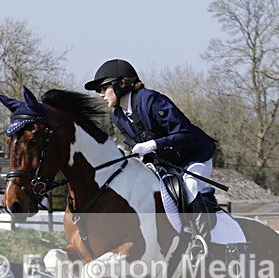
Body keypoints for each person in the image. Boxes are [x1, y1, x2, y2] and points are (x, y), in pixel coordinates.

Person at [84, 58, 219, 252]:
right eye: (99, 90)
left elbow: (185, 134)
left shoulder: (151, 100)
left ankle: (201, 244)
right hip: (167, 165)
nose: (101, 94)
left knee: (188, 188)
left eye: (104, 88)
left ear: (122, 83)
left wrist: (153, 144)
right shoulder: (118, 117)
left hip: (195, 157)